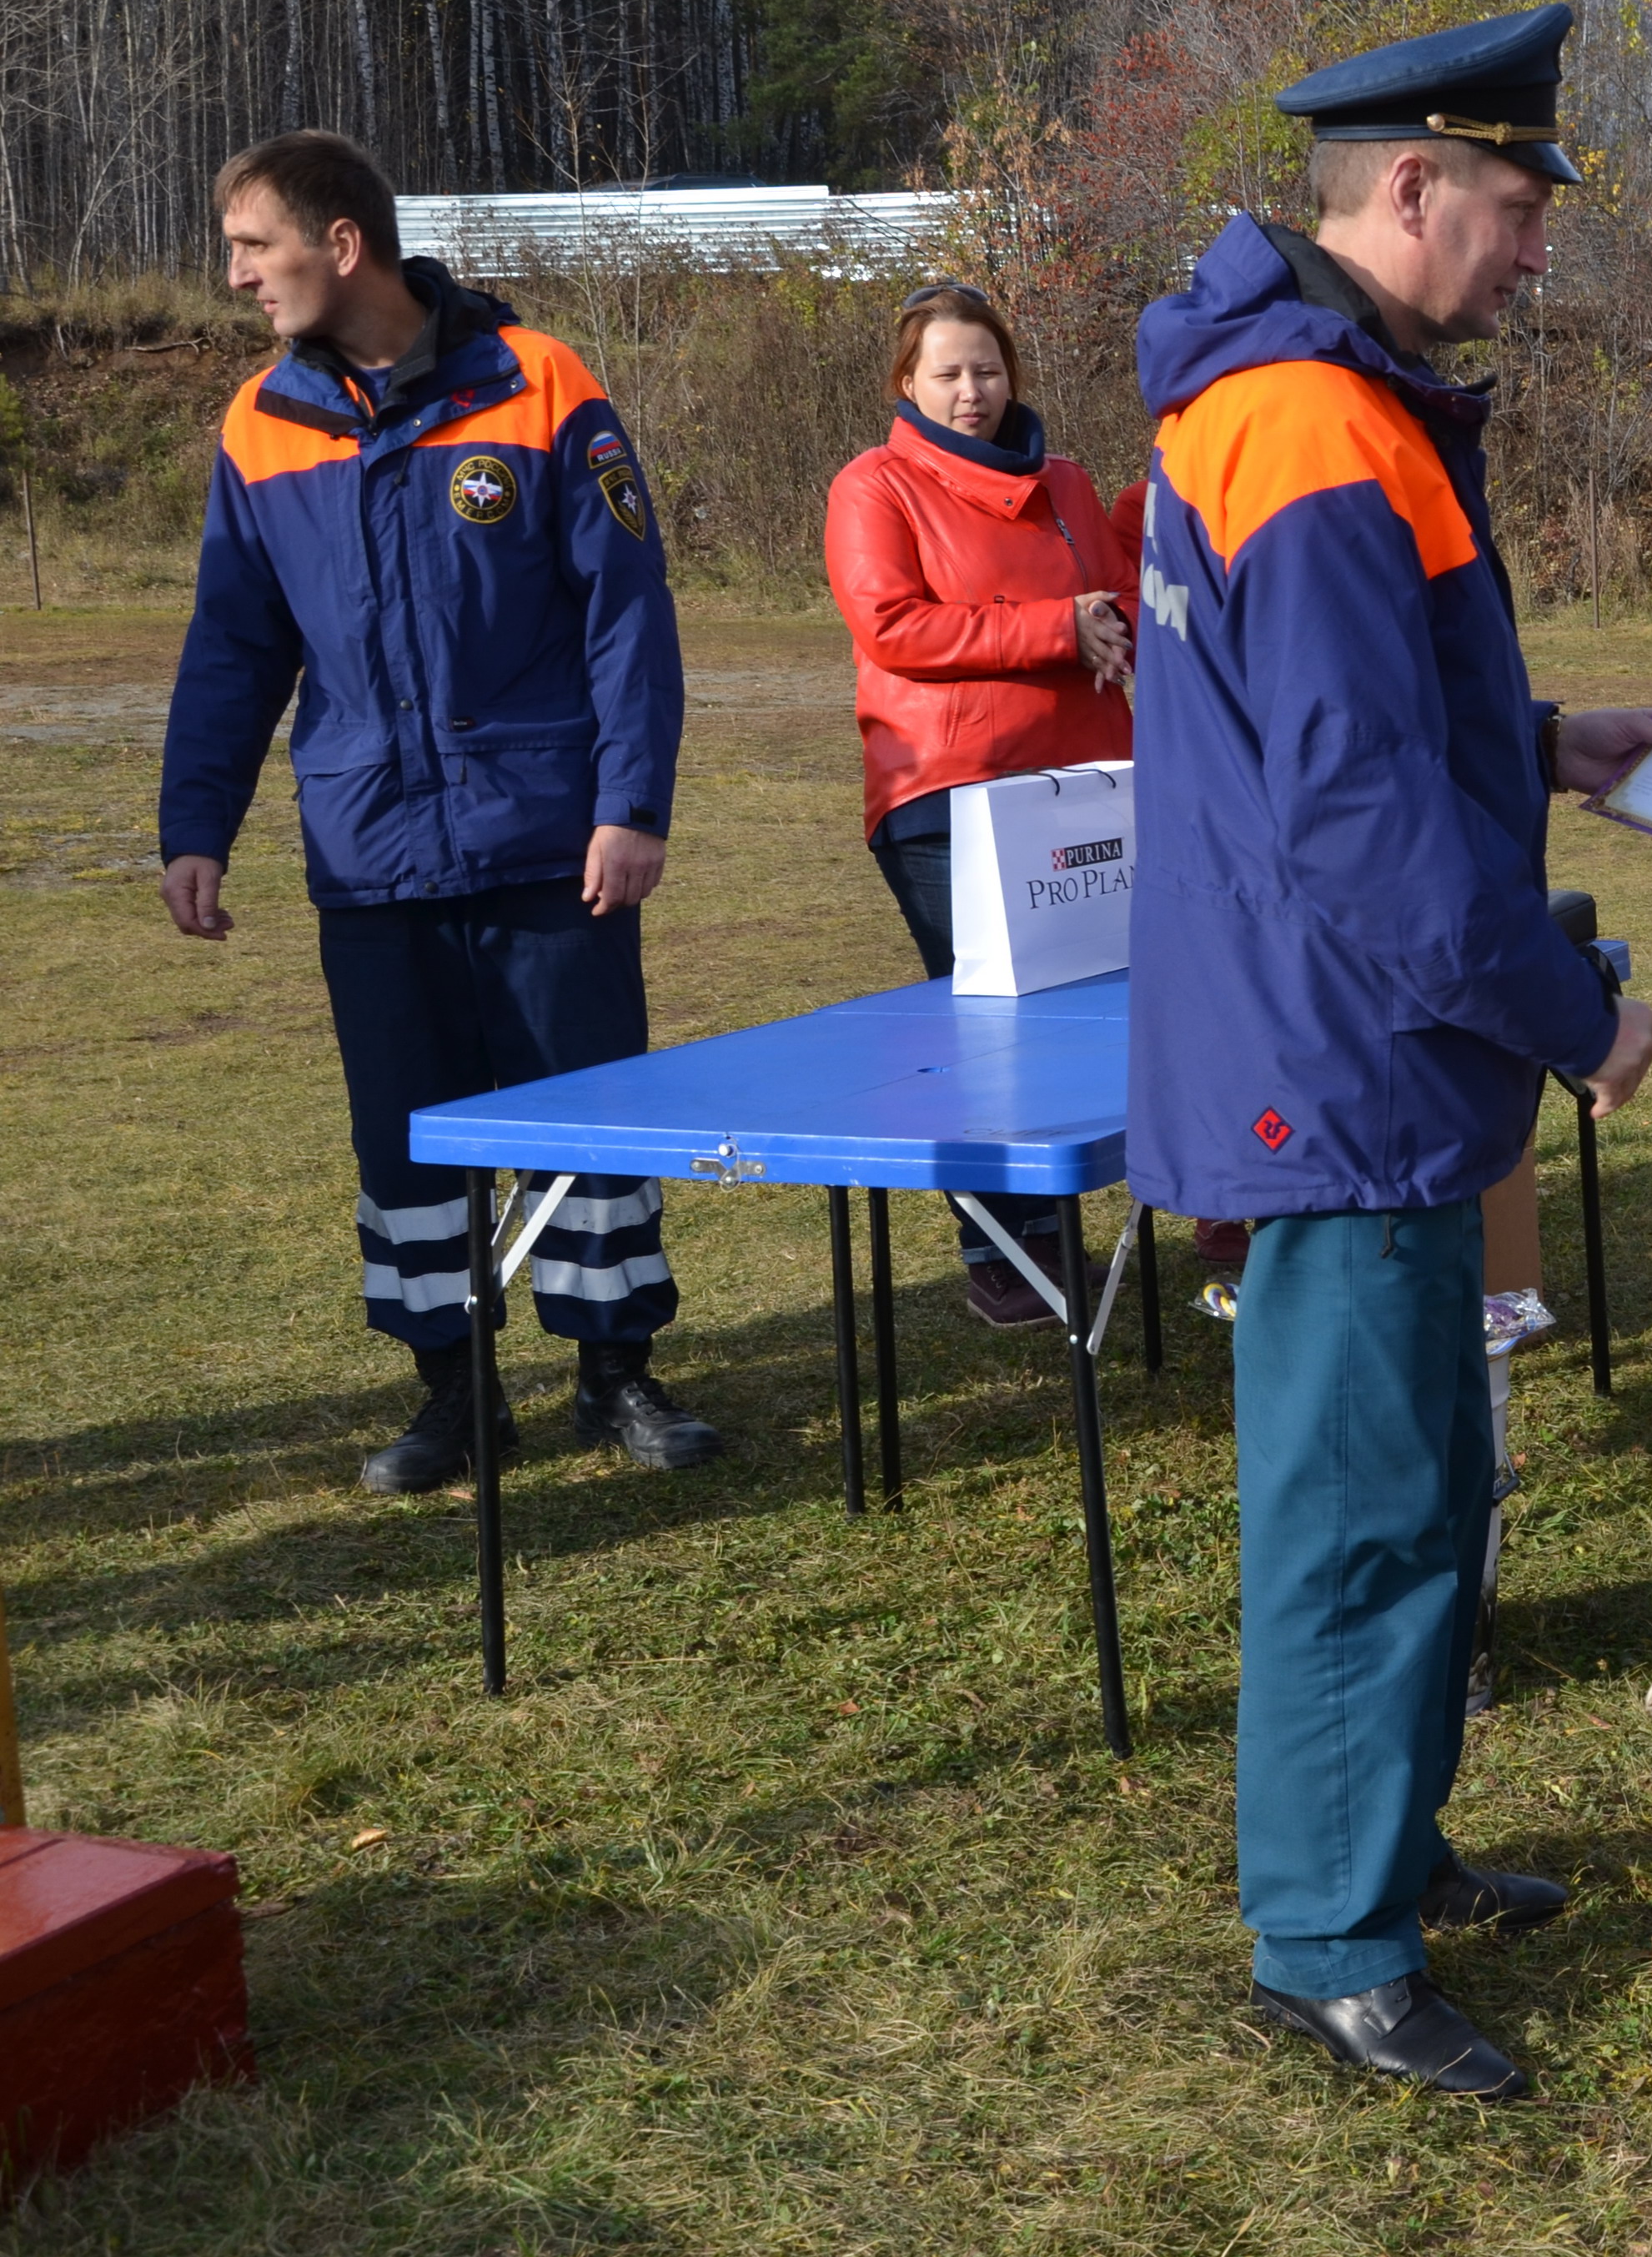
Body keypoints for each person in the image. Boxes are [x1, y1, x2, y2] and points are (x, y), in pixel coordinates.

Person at [1123, 3, 1652, 2101]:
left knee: (1432, 1476)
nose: (1537, 248)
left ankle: (1389, 1843)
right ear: (1408, 188)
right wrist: (1580, 1021)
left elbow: (1345, 723)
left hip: (1355, 1040)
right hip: (1339, 1053)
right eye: (1520, 207)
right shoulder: (1309, 421)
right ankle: (1329, 1937)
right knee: (1361, 1506)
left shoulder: (1334, 399)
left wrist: (1551, 740)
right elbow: (1358, 820)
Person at [159, 131, 723, 1489]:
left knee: (586, 1110)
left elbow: (625, 613)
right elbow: (234, 647)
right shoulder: (259, 425)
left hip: (549, 839)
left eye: (254, 246)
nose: (235, 276)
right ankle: (454, 1394)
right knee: (406, 1135)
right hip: (372, 854)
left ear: (339, 243)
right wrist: (196, 824)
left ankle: (616, 1374)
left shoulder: (540, 385)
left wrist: (630, 801)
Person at [824, 282, 1139, 1327]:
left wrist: (1105, 616)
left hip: (1085, 783)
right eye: (948, 373)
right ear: (905, 382)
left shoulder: (1068, 482)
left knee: (1088, 1013)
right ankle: (1002, 1254)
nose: (973, 391)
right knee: (986, 1031)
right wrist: (1056, 627)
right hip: (945, 791)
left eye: (988, 368)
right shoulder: (875, 486)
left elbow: (1120, 598)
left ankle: (1090, 1229)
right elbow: (893, 626)